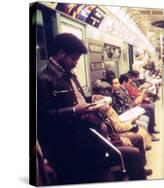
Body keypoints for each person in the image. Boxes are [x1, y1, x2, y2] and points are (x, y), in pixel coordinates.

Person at [37, 33, 147, 183]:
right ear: (61, 53)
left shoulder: (70, 75)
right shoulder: (44, 80)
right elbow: (43, 118)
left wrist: (92, 99)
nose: (76, 63)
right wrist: (76, 111)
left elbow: (77, 99)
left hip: (88, 134)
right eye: (74, 58)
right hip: (71, 143)